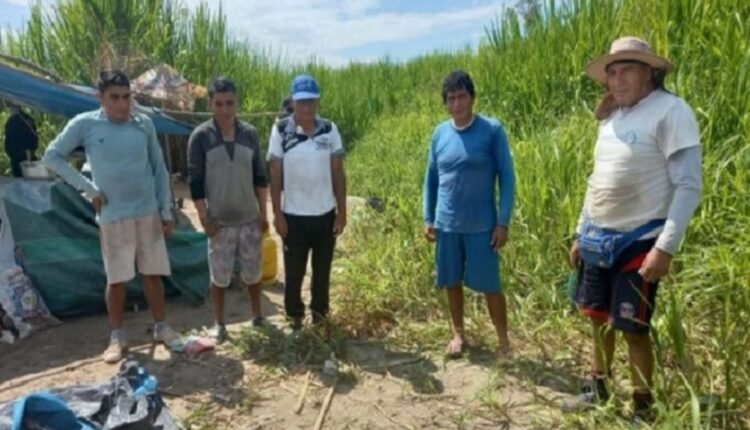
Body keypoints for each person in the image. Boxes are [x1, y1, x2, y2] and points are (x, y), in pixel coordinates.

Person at [562, 37, 702, 420]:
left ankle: (643, 407)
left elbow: (689, 183)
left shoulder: (671, 111)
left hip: (639, 240)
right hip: (597, 238)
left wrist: (666, 247)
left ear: (650, 73)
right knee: (596, 320)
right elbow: (597, 180)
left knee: (632, 327)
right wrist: (580, 231)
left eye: (627, 70)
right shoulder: (611, 119)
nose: (617, 80)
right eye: (611, 73)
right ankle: (598, 391)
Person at [43, 70, 181, 363]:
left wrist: (165, 210)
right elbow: (52, 156)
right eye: (114, 98)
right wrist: (89, 189)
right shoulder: (86, 124)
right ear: (100, 98)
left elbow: (158, 168)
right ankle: (117, 336)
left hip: (147, 212)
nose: (122, 104)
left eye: (126, 97)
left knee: (152, 274)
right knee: (116, 279)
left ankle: (161, 326)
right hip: (113, 215)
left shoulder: (143, 124)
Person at [422, 70, 516, 360]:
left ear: (472, 98)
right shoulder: (440, 133)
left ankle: (503, 342)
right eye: (451, 99)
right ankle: (458, 334)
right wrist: (428, 217)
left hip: (482, 226)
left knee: (491, 285)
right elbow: (431, 179)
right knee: (451, 281)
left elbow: (507, 178)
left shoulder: (491, 130)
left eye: (462, 96)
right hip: (447, 224)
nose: (457, 104)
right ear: (445, 104)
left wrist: (502, 222)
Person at [187, 77, 269, 342]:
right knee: (219, 276)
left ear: (236, 103)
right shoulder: (200, 137)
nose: (225, 110)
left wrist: (264, 215)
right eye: (219, 103)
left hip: (248, 217)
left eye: (229, 103)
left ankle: (258, 317)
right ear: (210, 104)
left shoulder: (250, 134)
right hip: (219, 221)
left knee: (253, 272)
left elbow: (260, 176)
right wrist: (204, 217)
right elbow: (195, 181)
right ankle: (219, 324)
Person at [267, 74, 347, 330]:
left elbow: (337, 172)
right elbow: (275, 174)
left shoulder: (329, 129)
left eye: (312, 101)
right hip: (293, 217)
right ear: (293, 102)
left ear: (318, 101)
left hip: (324, 215)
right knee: (294, 272)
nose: (307, 107)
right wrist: (277, 214)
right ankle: (294, 318)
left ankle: (320, 317)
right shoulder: (280, 130)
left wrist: (341, 212)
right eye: (302, 102)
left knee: (322, 272)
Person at [3, 102, 38, 178]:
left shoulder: (26, 120)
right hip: (15, 160)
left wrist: (29, 162)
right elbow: (8, 142)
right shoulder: (10, 122)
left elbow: (29, 142)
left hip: (26, 160)